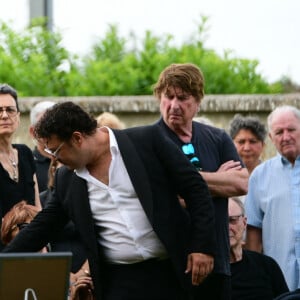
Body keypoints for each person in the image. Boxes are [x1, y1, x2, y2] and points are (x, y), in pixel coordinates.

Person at [2, 101, 217, 300]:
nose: (54, 159)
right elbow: (43, 226)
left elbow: (195, 189)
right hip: (118, 282)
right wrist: (4, 262)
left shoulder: (147, 141)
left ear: (77, 138)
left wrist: (202, 246)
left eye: (56, 150)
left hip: (172, 270)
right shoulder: (67, 178)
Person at [153, 63, 249, 300]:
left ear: (197, 102)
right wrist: (219, 178)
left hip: (216, 263)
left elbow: (240, 185)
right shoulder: (150, 141)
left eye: (183, 98)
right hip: (170, 265)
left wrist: (184, 182)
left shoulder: (217, 138)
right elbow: (165, 197)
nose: (174, 105)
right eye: (168, 97)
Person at [245, 105, 300, 291]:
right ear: (270, 138)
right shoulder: (260, 176)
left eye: (291, 130)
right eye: (279, 132)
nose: (286, 137)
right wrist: (253, 276)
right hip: (281, 280)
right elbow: (253, 231)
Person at [1, 200, 94, 300]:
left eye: (39, 228)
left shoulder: (62, 276)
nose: (32, 233)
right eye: (24, 227)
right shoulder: (6, 279)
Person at [0, 83, 41, 250]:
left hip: (32, 246)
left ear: (18, 116)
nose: (4, 116)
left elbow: (38, 207)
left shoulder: (25, 154)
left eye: (10, 110)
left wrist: (41, 243)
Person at [229, 197, 289, 300]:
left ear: (244, 223)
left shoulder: (266, 265)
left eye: (232, 220)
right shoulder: (202, 269)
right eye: (219, 221)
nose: (226, 227)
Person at [29, 101, 56, 192]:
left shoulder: (72, 162)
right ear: (33, 132)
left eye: (55, 124)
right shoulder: (27, 165)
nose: (51, 130)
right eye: (44, 126)